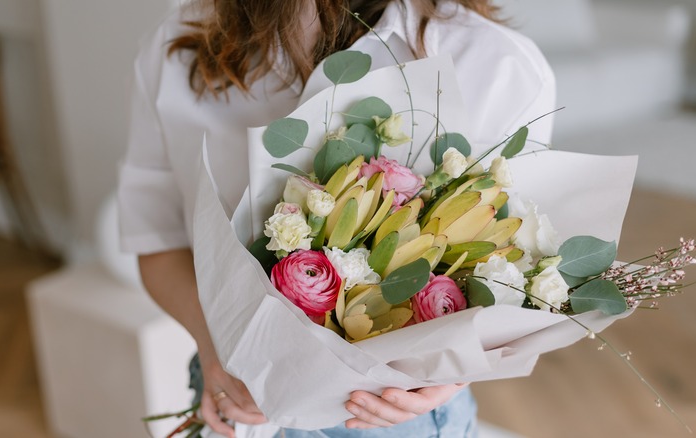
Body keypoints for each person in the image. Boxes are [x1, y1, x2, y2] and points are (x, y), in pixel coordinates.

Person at [117, 0, 555, 437]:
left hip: (393, 420)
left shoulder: (498, 66)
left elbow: (512, 279)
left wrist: (447, 379)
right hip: (231, 395)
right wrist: (213, 342)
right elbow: (157, 240)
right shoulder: (179, 45)